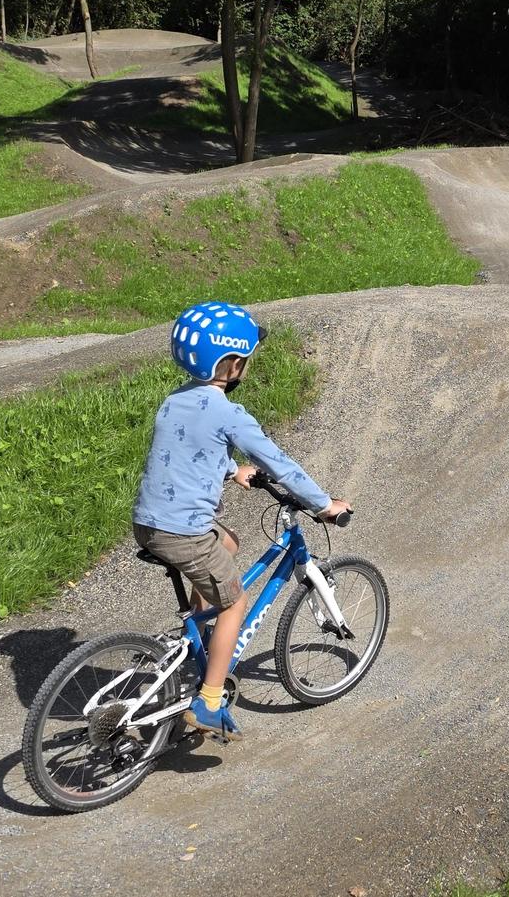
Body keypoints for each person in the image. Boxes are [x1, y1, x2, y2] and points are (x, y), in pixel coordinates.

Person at [132, 301, 352, 739]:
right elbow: (281, 464)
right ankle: (209, 702)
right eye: (245, 359)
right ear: (230, 364)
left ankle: (200, 629)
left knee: (228, 542)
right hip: (184, 532)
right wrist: (325, 504)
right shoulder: (229, 413)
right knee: (236, 603)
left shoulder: (175, 400)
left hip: (150, 522)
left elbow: (189, 446)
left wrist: (233, 470)